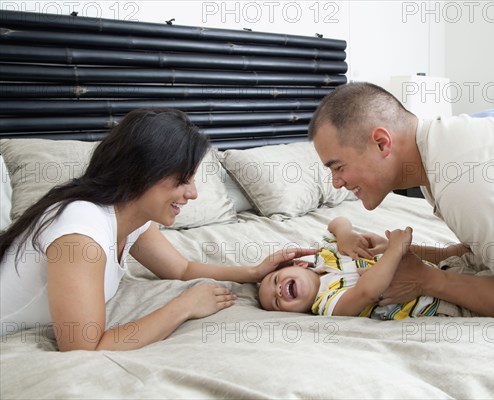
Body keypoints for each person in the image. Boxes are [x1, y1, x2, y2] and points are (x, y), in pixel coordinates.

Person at [0, 109, 316, 351]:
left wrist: (254, 271)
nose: (192, 194)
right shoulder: (81, 230)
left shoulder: (131, 218)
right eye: (183, 179)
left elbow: (182, 268)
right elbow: (84, 347)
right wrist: (184, 307)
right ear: (144, 172)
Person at [308, 82, 494, 331]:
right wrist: (426, 254)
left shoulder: (462, 178)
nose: (335, 183)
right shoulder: (444, 146)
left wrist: (428, 280)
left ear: (382, 143)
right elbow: (490, 246)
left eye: (338, 166)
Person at [259, 217, 474, 319]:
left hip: (442, 269)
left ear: (300, 264)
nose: (277, 291)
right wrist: (394, 249)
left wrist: (345, 235)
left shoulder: (325, 255)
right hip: (439, 304)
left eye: (275, 280)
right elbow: (367, 292)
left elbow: (338, 221)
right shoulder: (327, 304)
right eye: (276, 303)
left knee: (480, 252)